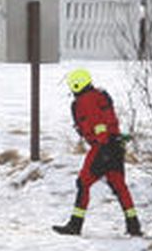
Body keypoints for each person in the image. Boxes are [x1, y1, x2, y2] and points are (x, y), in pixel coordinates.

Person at [55, 68, 141, 237]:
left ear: (76, 85)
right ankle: (133, 225)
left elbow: (97, 123)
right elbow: (107, 120)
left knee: (83, 183)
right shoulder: (99, 95)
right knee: (119, 186)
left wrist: (102, 145)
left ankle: (75, 224)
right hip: (115, 146)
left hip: (102, 147)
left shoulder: (85, 100)